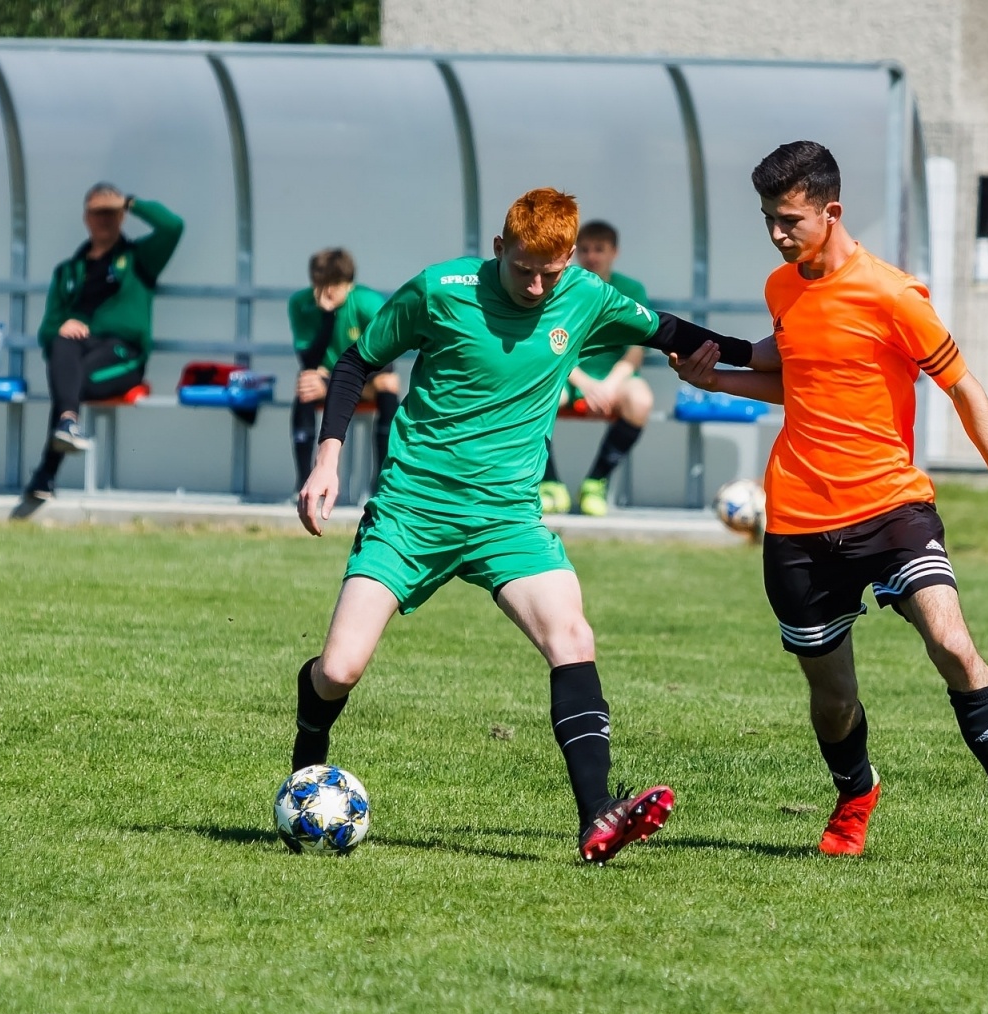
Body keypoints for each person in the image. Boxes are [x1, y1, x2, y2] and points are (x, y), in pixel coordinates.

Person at [294, 188, 754, 863]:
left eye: (553, 271)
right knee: (339, 669)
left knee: (572, 634)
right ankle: (307, 764)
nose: (539, 287)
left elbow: (674, 333)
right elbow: (359, 360)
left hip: (507, 517)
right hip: (412, 510)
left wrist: (777, 359)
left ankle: (596, 815)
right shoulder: (440, 290)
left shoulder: (587, 295)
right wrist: (327, 455)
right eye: (524, 270)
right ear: (498, 248)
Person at [671, 141, 988, 860]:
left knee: (954, 646)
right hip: (799, 524)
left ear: (831, 212)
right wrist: (719, 382)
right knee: (833, 699)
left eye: (790, 220)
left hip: (892, 509)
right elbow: (797, 374)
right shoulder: (783, 290)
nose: (777, 234)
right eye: (769, 219)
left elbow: (965, 390)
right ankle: (855, 791)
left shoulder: (894, 294)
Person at [22, 183, 184, 502]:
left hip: (123, 355)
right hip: (79, 353)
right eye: (98, 213)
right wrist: (64, 324)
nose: (105, 220)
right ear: (86, 217)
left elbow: (173, 226)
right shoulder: (68, 270)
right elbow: (47, 330)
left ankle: (47, 471)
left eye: (112, 213)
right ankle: (67, 425)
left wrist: (131, 201)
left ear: (122, 217)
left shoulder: (139, 259)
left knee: (69, 379)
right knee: (61, 345)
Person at [537, 220, 655, 517]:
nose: (592, 256)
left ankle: (596, 482)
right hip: (567, 374)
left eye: (599, 249)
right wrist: (586, 383)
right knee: (539, 398)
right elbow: (549, 347)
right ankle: (547, 484)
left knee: (641, 400)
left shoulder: (630, 289)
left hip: (614, 379)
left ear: (614, 252)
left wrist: (608, 386)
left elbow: (635, 351)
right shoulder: (558, 288)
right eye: (585, 250)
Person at [287, 248, 397, 492]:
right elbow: (308, 361)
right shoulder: (300, 303)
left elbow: (386, 358)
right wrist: (328, 317)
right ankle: (304, 484)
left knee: (388, 386)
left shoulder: (369, 302)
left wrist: (359, 383)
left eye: (335, 284)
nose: (327, 292)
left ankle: (382, 482)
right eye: (321, 283)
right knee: (306, 384)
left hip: (364, 380)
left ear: (349, 284)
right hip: (325, 380)